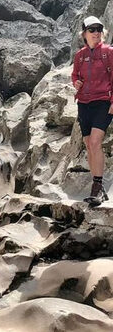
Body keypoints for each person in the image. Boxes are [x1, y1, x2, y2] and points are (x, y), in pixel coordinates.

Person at [71, 15, 113, 207]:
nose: (96, 33)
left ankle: (97, 187)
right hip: (84, 103)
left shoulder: (109, 52)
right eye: (92, 30)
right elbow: (74, 75)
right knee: (88, 144)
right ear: (84, 34)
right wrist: (76, 83)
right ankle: (99, 189)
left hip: (103, 102)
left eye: (99, 29)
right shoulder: (80, 55)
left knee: (95, 142)